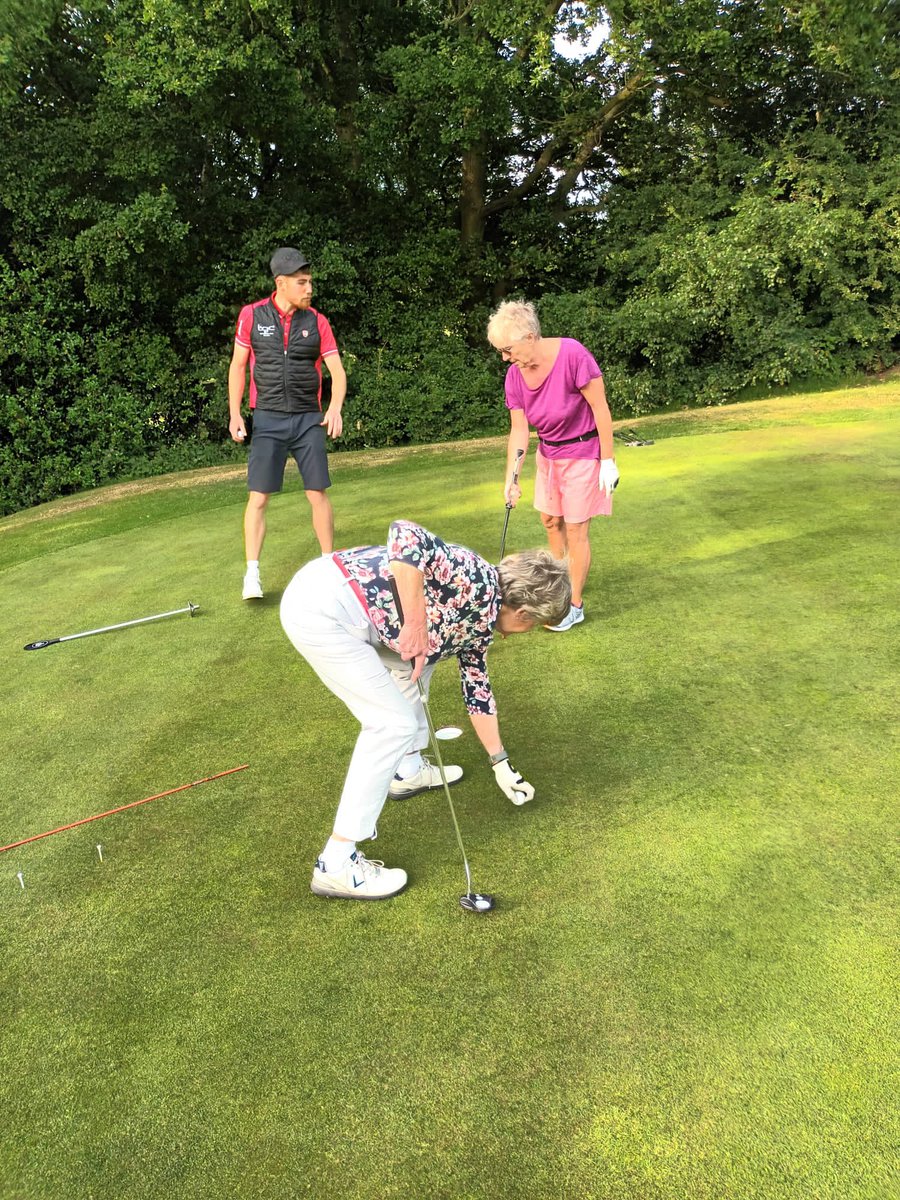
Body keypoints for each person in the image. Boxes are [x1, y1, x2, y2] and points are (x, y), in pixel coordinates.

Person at [279, 519, 571, 900]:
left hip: (346, 608)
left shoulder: (481, 622)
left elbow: (477, 689)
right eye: (534, 624)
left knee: (418, 664)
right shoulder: (475, 578)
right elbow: (405, 533)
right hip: (323, 609)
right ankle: (336, 863)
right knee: (392, 724)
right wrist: (416, 624)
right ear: (524, 614)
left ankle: (409, 770)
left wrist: (500, 762)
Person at [486, 299, 619, 632]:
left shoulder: (573, 355)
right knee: (550, 521)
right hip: (549, 454)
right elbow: (519, 430)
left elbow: (600, 408)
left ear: (530, 337)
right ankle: (562, 585)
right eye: (500, 351)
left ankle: (573, 605)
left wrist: (608, 460)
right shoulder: (514, 377)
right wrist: (512, 479)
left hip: (583, 451)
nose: (505, 358)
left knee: (575, 529)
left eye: (507, 350)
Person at [228, 247, 347, 601]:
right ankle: (252, 575)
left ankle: (328, 566)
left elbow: (337, 371)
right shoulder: (252, 315)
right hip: (268, 417)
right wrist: (235, 413)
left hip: (309, 418)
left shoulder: (318, 321)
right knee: (258, 497)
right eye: (301, 282)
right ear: (281, 283)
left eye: (310, 282)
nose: (309, 289)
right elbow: (238, 366)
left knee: (317, 492)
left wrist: (335, 407)